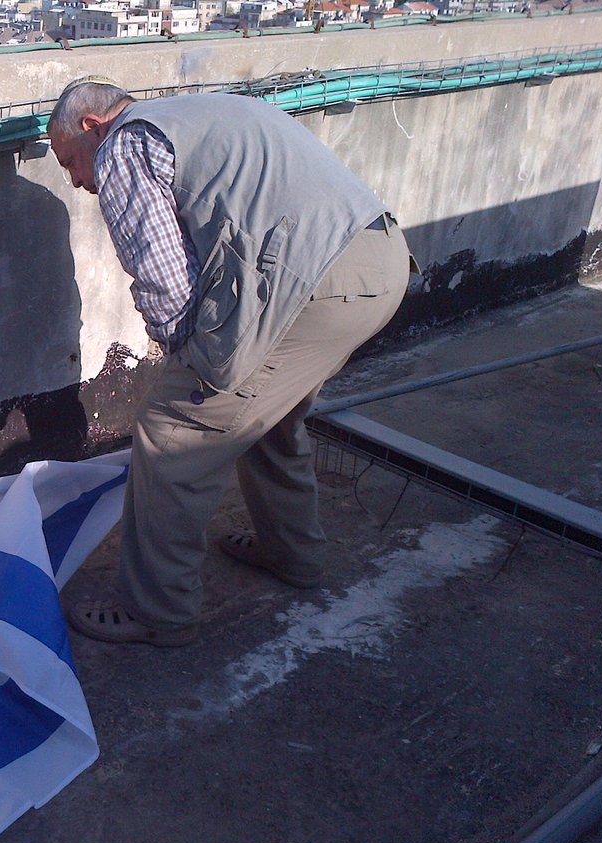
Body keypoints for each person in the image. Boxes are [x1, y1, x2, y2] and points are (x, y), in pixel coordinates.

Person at [48, 77, 412, 647]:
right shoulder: (198, 112)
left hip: (313, 281)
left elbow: (165, 278)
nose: (76, 181)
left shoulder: (124, 145)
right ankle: (293, 553)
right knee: (269, 414)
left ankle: (159, 611)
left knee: (174, 430)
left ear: (93, 126)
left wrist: (187, 372)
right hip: (380, 264)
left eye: (69, 161)